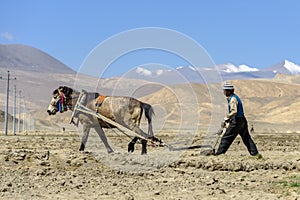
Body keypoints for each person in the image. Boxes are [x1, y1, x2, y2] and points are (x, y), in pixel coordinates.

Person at [215, 82, 260, 157]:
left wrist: (226, 118)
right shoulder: (235, 97)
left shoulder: (232, 99)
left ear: (228, 91)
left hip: (237, 121)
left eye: (225, 91)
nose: (224, 92)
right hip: (242, 120)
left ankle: (219, 154)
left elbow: (234, 111)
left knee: (226, 138)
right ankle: (255, 154)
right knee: (246, 138)